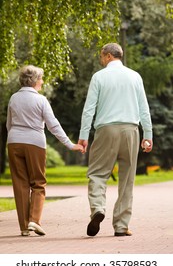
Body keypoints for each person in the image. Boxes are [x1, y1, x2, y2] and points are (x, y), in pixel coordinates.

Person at [78, 43, 153, 237]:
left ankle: (97, 209)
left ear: (108, 56)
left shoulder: (99, 77)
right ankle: (121, 225)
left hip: (106, 130)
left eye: (102, 56)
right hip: (131, 130)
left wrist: (84, 136)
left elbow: (89, 109)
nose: (101, 60)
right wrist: (148, 135)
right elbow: (144, 108)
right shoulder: (135, 76)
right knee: (127, 179)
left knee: (97, 174)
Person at [6, 65, 84, 237]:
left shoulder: (13, 98)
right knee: (38, 183)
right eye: (41, 78)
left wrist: (12, 140)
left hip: (14, 142)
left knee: (20, 185)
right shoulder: (41, 100)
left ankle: (24, 227)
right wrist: (70, 145)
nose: (42, 81)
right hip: (34, 143)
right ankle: (34, 220)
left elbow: (9, 124)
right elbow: (53, 125)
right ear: (34, 81)